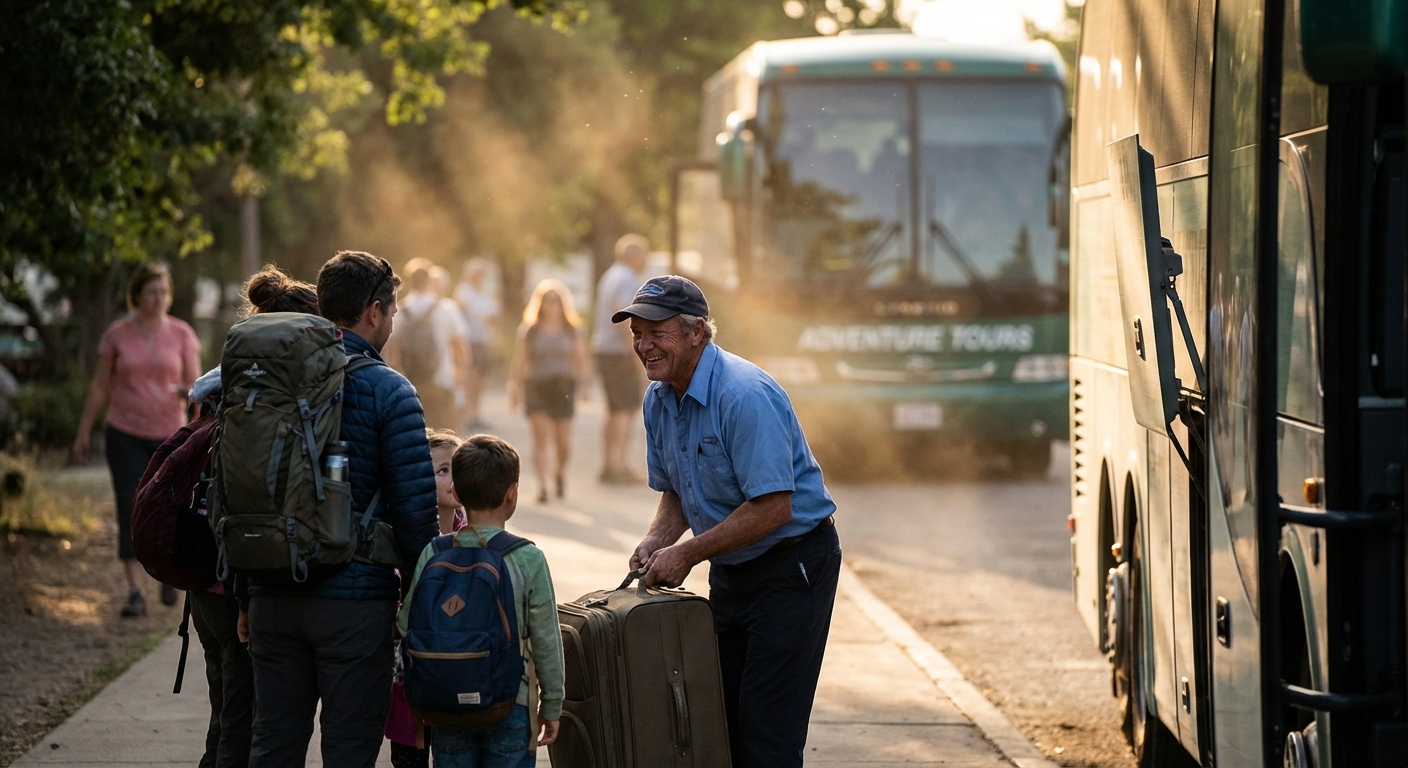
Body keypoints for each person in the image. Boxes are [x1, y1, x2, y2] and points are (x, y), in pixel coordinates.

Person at [616, 275, 841, 768]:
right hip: (733, 569)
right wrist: (658, 538)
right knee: (720, 721)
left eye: (657, 332)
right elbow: (678, 488)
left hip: (793, 567)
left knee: (767, 731)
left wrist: (687, 553)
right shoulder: (657, 398)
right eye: (636, 333)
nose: (644, 345)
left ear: (698, 332)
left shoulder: (743, 394)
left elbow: (773, 508)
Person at [244, 250, 440, 767]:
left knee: (273, 745)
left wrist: (246, 593)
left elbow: (245, 485)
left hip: (271, 589)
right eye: (393, 313)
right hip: (353, 603)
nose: (392, 324)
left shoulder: (267, 381)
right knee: (350, 748)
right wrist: (424, 602)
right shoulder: (389, 391)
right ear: (374, 311)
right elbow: (416, 514)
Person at [186, 265, 319, 768]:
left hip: (205, 581)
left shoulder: (224, 382)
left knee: (225, 717)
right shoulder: (286, 396)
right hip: (242, 586)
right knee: (243, 726)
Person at [396, 434, 563, 767]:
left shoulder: (436, 551)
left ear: (456, 493)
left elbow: (405, 624)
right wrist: (553, 705)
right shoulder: (528, 558)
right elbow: (546, 639)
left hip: (446, 703)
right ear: (512, 494)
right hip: (510, 703)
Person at [74, 262, 201, 617]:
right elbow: (100, 385)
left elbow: (198, 388)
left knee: (171, 507)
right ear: (137, 296)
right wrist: (84, 431)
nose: (158, 298)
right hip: (124, 433)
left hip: (171, 436)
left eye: (163, 292)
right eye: (151, 292)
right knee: (129, 506)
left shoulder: (182, 334)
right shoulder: (116, 334)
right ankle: (134, 591)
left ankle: (165, 572)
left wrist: (193, 419)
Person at [386, 428, 468, 768]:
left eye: (459, 469)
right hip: (411, 678)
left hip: (460, 679)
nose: (454, 479)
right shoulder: (406, 538)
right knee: (410, 756)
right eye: (442, 470)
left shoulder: (476, 535)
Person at [507, 279, 590, 504]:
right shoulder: (530, 330)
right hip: (537, 385)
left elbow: (580, 359)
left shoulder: (572, 329)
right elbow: (521, 361)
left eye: (556, 301)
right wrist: (514, 389)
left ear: (563, 303)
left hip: (563, 386)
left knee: (563, 441)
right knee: (541, 439)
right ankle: (543, 486)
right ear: (540, 303)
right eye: (547, 301)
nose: (551, 305)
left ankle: (559, 472)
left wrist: (585, 384)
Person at [591, 234, 649, 484]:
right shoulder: (625, 278)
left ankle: (608, 463)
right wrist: (638, 354)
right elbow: (624, 318)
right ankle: (620, 465)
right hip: (619, 352)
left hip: (604, 350)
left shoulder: (611, 275)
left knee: (614, 409)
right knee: (625, 409)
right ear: (633, 255)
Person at [387, 258, 469, 430]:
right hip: (442, 379)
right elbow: (460, 344)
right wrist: (461, 373)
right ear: (430, 279)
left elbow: (392, 347)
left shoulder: (401, 309)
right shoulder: (446, 308)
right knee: (446, 431)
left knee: (417, 429)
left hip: (411, 380)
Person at [455, 259, 500, 430]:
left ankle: (476, 414)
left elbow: (493, 314)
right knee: (470, 379)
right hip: (470, 340)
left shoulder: (483, 293)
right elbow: (462, 312)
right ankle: (467, 415)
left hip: (484, 340)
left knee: (480, 379)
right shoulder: (464, 291)